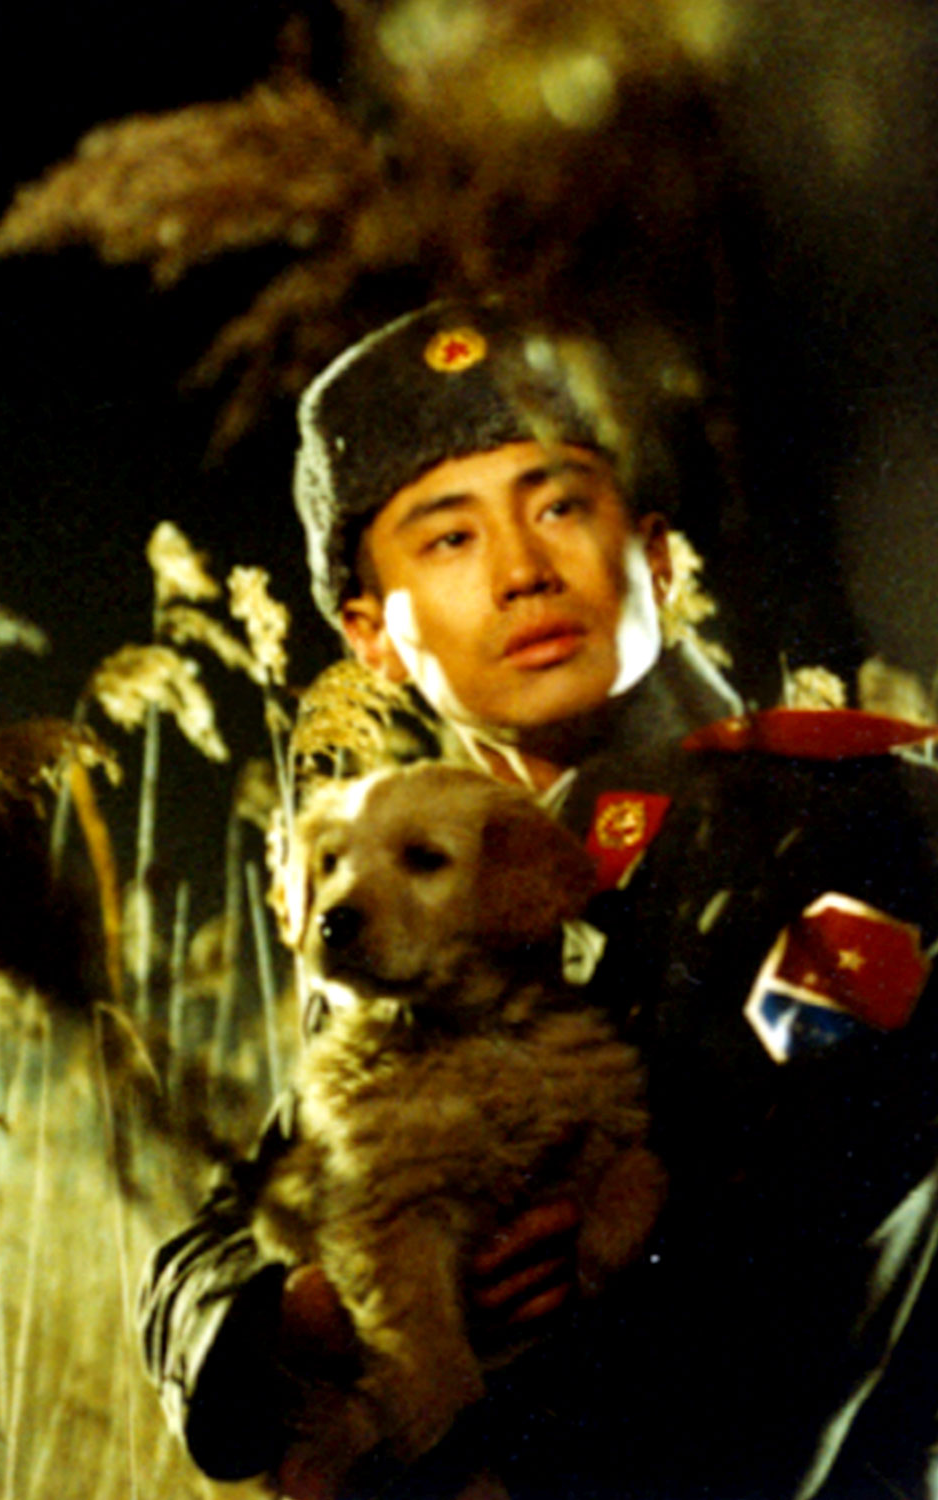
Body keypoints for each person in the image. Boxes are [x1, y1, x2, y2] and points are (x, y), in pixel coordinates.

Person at [141, 302, 938, 1499]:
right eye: (448, 539)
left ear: (653, 557)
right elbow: (203, 1250)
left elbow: (821, 1248)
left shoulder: (856, 822)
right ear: (370, 636)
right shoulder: (395, 889)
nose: (522, 572)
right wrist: (308, 1312)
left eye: (559, 505)